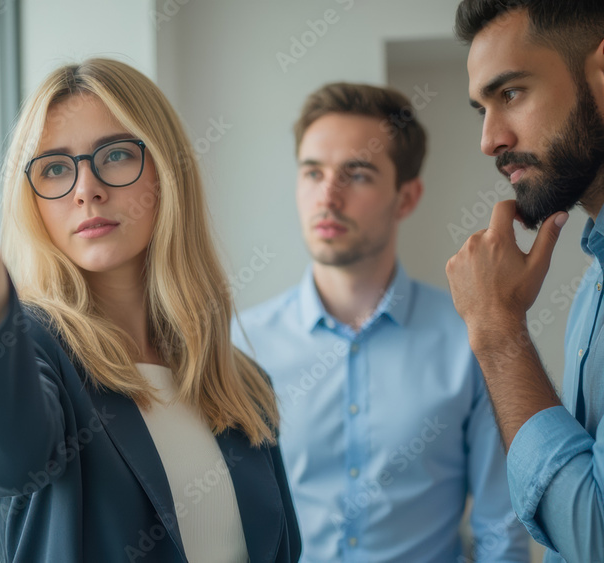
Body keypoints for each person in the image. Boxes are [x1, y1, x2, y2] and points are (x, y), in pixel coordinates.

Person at [0, 58, 301, 562]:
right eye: (54, 168)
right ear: (33, 200)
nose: (85, 189)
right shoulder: (24, 350)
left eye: (114, 155)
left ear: (166, 170)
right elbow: (5, 458)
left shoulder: (242, 382)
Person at [233, 83, 528, 562]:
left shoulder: (471, 339)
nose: (328, 196)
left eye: (358, 174)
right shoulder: (240, 345)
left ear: (406, 198)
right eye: (313, 172)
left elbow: (500, 530)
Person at [447, 1, 604, 561]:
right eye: (481, 109)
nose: (489, 140)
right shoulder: (594, 286)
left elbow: (595, 538)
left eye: (510, 93)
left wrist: (494, 328)